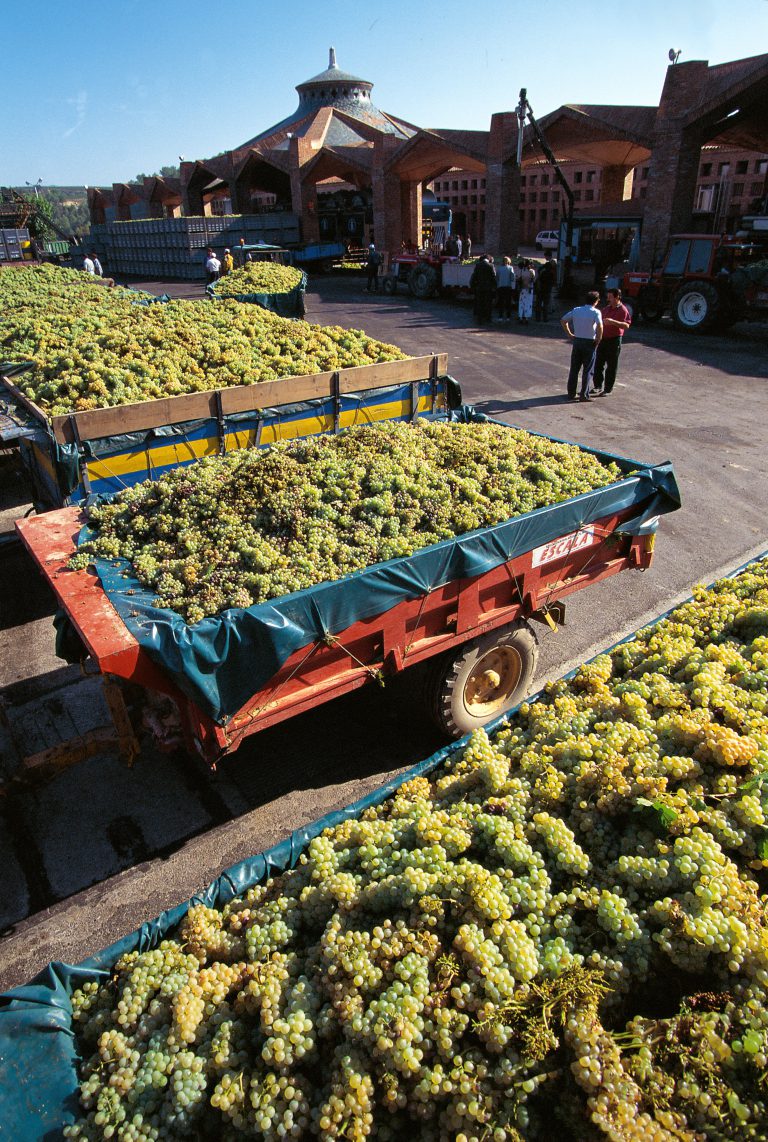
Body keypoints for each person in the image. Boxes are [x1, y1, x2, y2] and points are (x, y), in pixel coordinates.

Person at [560, 291, 603, 402]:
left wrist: (569, 333)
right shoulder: (596, 312)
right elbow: (599, 326)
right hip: (589, 342)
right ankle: (584, 394)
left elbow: (563, 320)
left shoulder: (577, 310)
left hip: (577, 340)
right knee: (588, 370)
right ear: (596, 301)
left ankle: (571, 393)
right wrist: (598, 339)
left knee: (574, 368)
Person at [592, 287, 632, 396]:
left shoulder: (623, 310)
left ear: (617, 297)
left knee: (612, 365)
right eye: (608, 297)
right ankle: (597, 386)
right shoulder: (606, 309)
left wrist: (613, 322)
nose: (608, 299)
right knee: (598, 363)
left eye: (610, 297)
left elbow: (627, 325)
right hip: (603, 339)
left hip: (614, 340)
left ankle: (608, 388)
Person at [469, 254, 497, 325]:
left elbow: (474, 276)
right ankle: (488, 318)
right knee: (488, 303)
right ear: (489, 259)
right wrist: (495, 287)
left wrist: (473, 286)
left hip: (479, 288)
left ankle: (480, 318)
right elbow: (494, 277)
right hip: (488, 288)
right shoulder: (491, 266)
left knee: (480, 303)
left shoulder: (478, 265)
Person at [534, 250, 557, 321]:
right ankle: (545, 318)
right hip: (548, 288)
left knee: (539, 303)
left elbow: (538, 278)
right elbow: (554, 278)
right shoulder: (551, 273)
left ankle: (538, 318)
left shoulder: (542, 272)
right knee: (546, 304)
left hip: (541, 289)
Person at [495, 256, 515, 321]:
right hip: (508, 287)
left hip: (500, 287)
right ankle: (508, 317)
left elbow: (497, 277)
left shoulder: (499, 268)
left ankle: (500, 316)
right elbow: (512, 278)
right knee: (508, 302)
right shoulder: (510, 268)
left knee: (501, 302)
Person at [517, 259, 536, 324]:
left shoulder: (522, 270)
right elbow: (533, 280)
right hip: (529, 289)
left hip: (522, 288)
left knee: (521, 303)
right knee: (528, 303)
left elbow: (518, 278)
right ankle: (526, 317)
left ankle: (520, 317)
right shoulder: (532, 271)